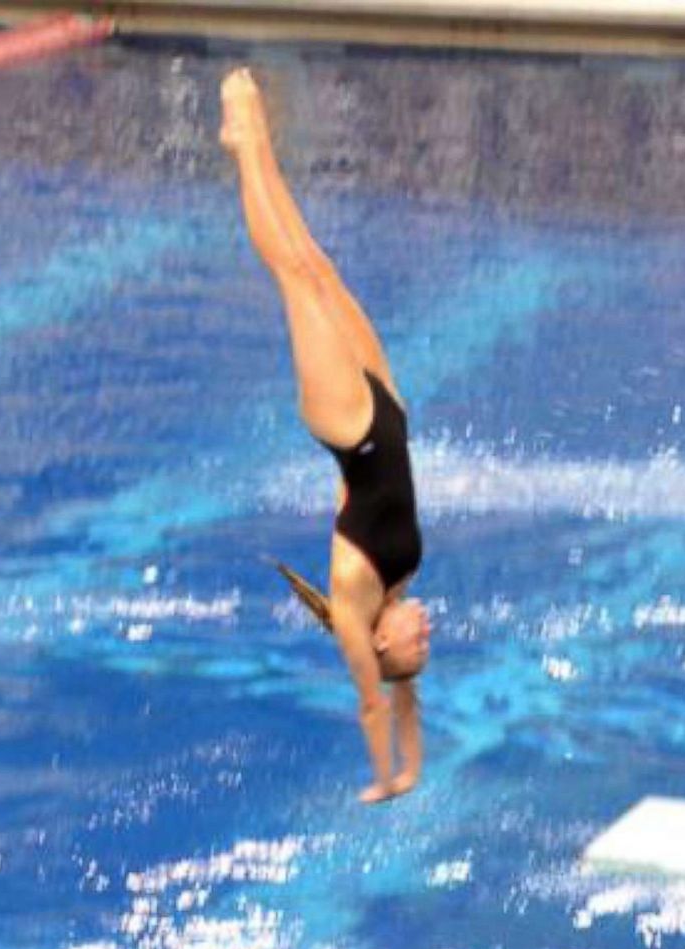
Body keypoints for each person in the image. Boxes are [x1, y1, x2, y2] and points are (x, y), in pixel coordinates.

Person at [220, 68, 430, 803]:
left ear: (379, 645)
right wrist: (414, 767)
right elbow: (406, 698)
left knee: (291, 275)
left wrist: (384, 781)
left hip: (346, 423)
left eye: (415, 644)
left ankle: (244, 140)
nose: (425, 633)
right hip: (385, 414)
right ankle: (257, 143)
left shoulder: (353, 604)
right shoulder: (398, 585)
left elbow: (376, 701)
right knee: (317, 264)